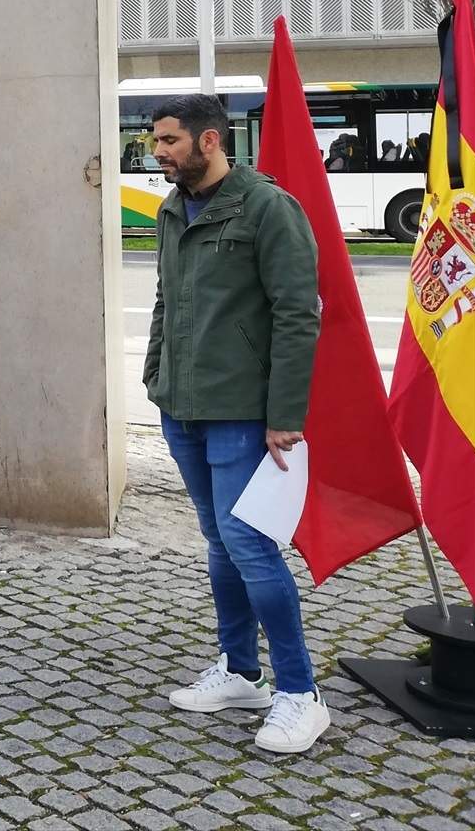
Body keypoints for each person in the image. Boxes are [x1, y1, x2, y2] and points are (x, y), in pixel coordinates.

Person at [145, 93, 329, 755]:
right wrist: (155, 376)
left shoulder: (267, 208)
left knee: (250, 546)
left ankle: (301, 693)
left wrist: (284, 415)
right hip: (183, 407)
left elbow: (298, 312)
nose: (158, 151)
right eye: (155, 140)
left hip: (242, 412)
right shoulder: (171, 208)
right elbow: (168, 297)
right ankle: (242, 670)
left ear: (211, 141)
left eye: (168, 140)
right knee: (221, 545)